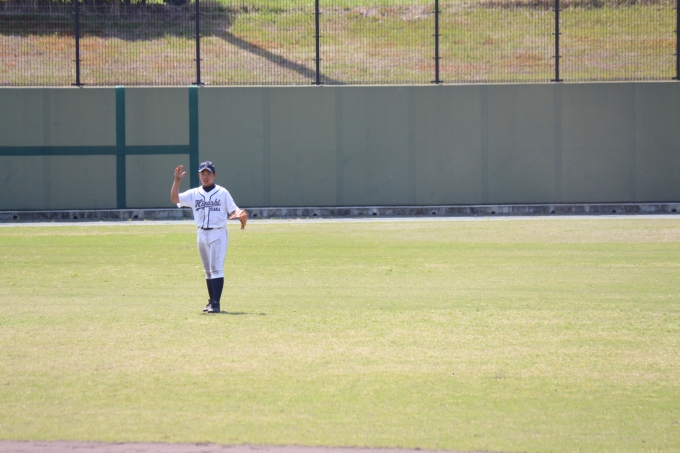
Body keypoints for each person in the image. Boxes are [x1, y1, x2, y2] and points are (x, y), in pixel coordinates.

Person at [171, 161, 247, 313]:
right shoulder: (194, 193)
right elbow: (175, 199)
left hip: (218, 233)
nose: (205, 177)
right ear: (199, 175)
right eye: (203, 174)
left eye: (208, 174)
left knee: (216, 268)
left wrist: (239, 214)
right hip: (201, 233)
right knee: (207, 270)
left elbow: (234, 210)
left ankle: (216, 304)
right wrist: (177, 181)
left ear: (214, 175)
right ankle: (211, 301)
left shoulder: (222, 192)